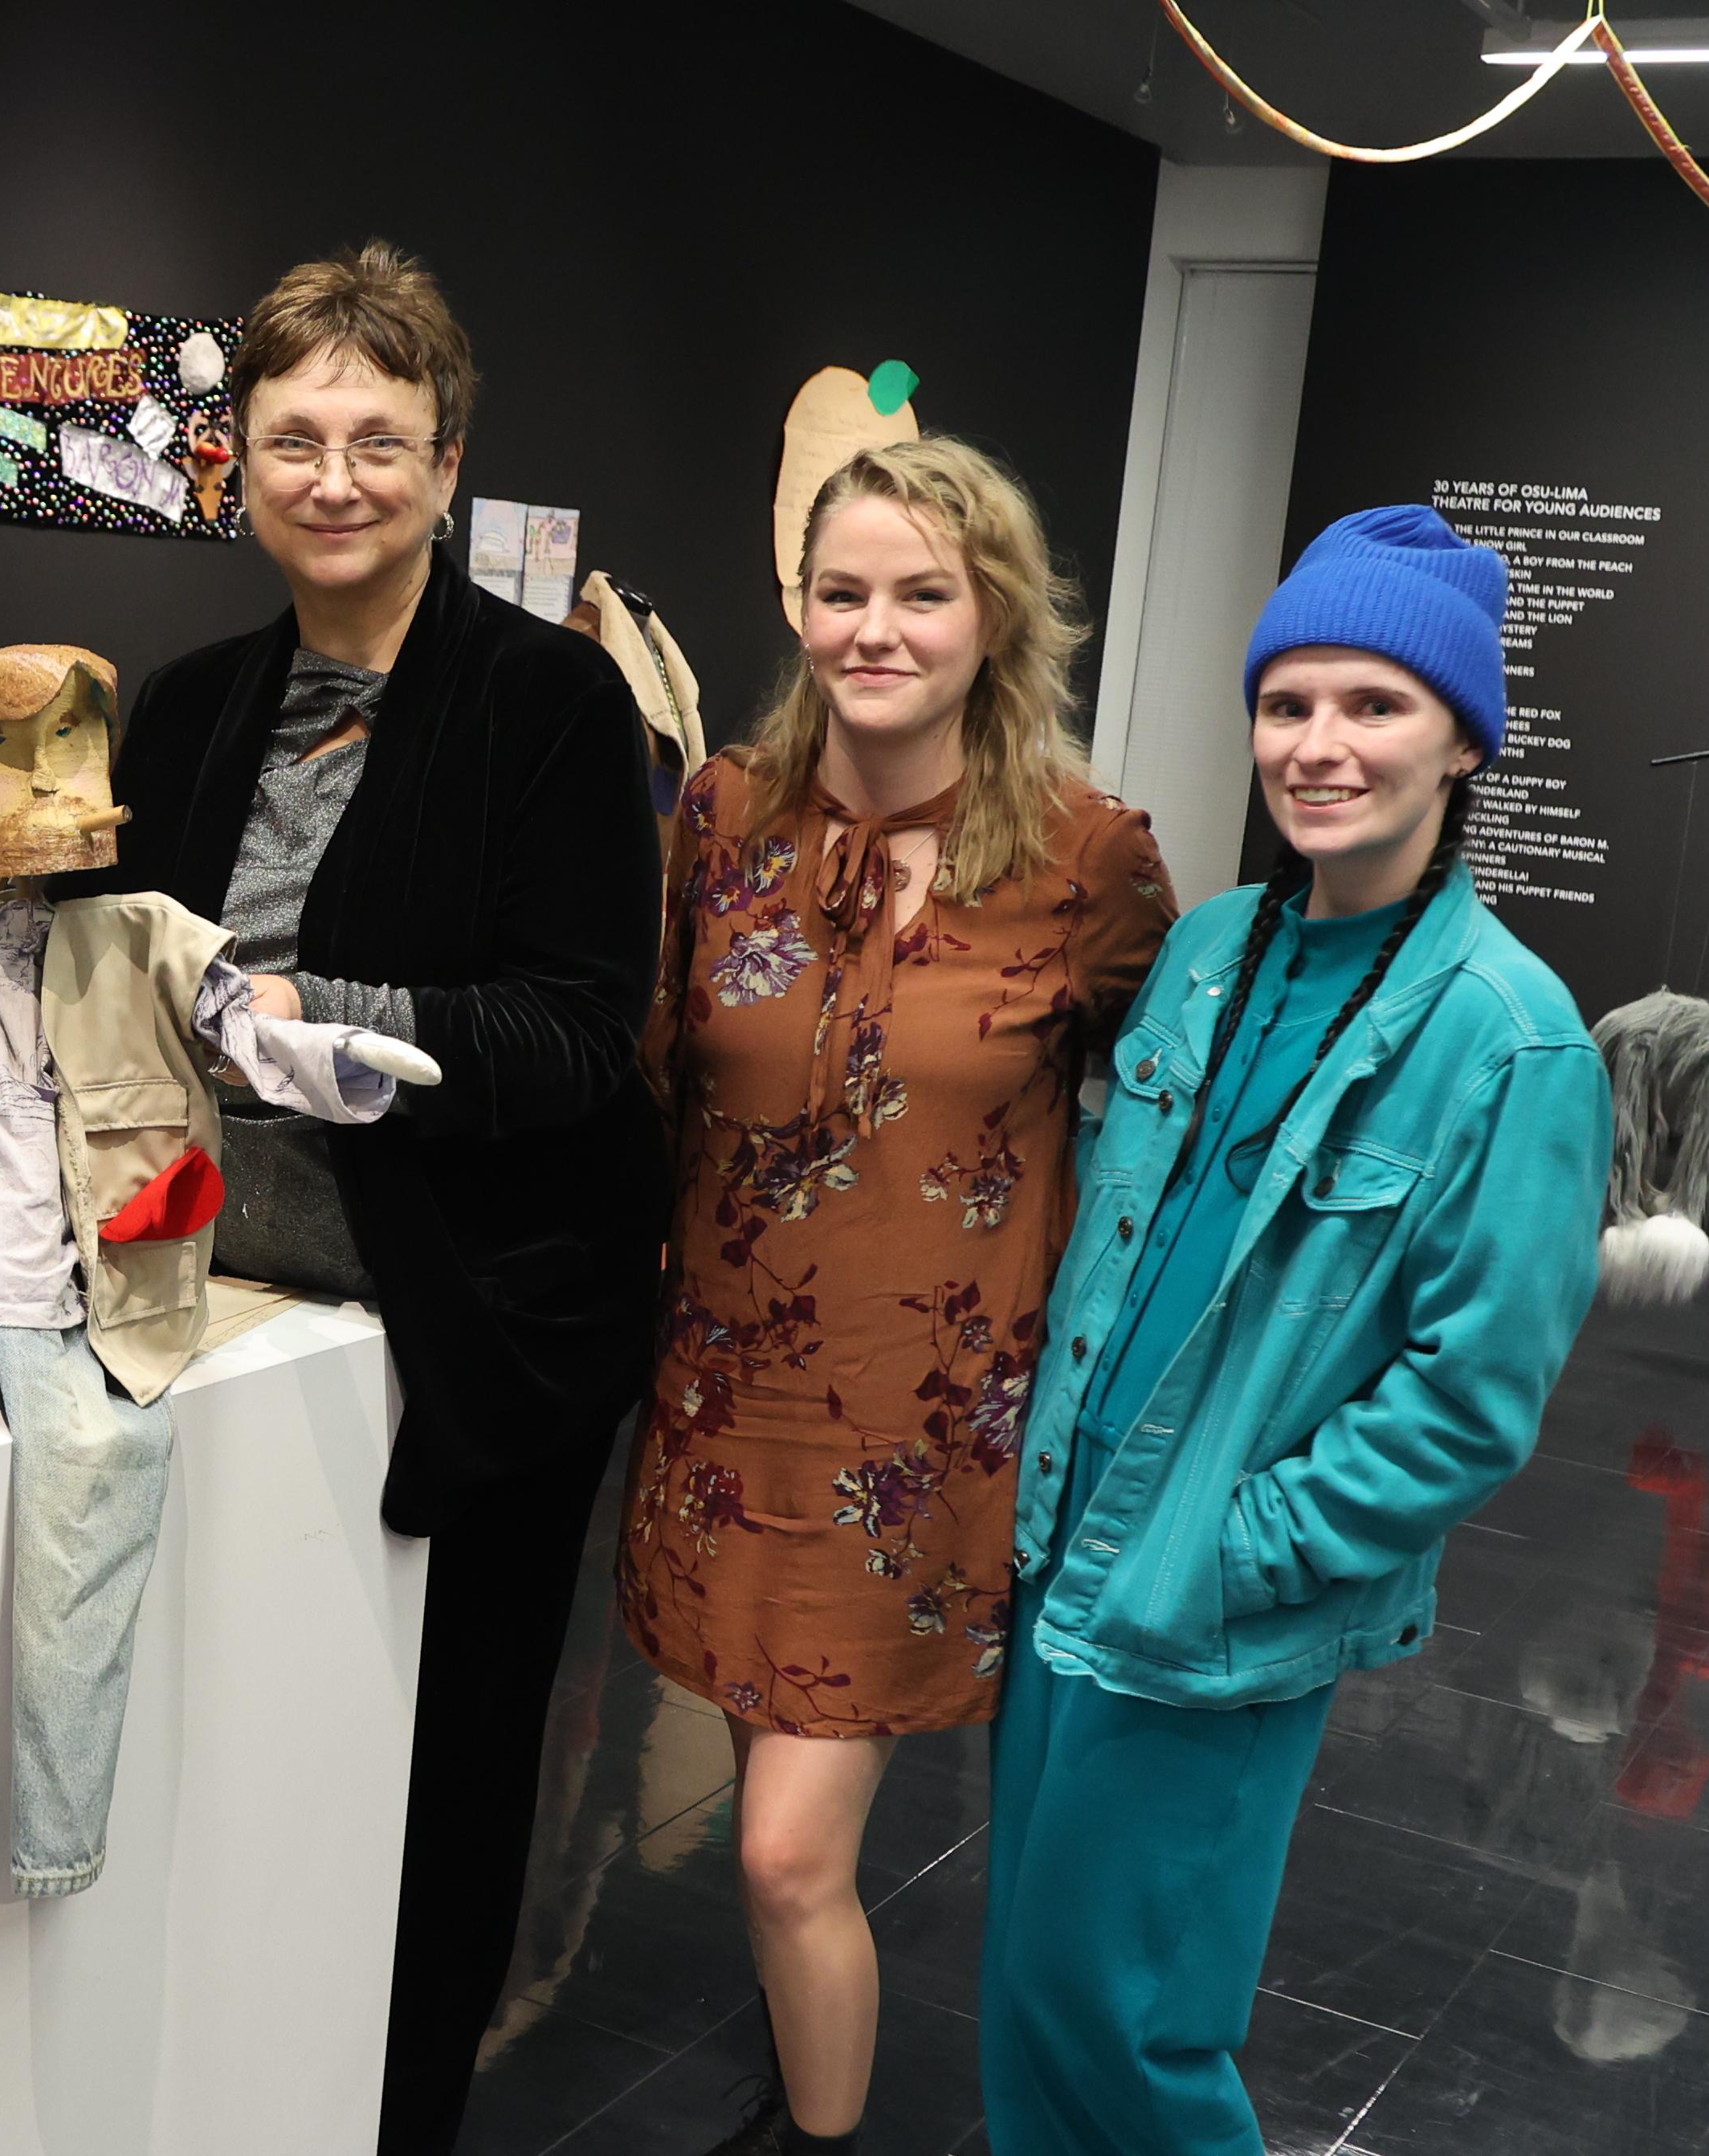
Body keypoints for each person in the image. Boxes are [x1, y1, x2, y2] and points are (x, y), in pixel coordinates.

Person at [67, 240, 667, 2156]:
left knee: (440, 1771)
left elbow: (577, 1035)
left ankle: (391, 2112)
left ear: (447, 460)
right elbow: (118, 978)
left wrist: (317, 1013)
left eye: (379, 439)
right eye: (293, 435)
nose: (335, 476)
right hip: (220, 1305)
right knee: (234, 1731)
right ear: (233, 457)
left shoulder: (551, 705)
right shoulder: (179, 706)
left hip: (471, 1324)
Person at [977, 506, 1611, 2153]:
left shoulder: (1508, 1036)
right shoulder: (1206, 951)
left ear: (1460, 738)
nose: (1317, 744)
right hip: (1066, 1541)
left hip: (1215, 1582)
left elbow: (1470, 1397)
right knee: (1033, 1983)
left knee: (1137, 2024)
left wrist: (1255, 1545)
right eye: (1288, 702)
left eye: (1373, 705)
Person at [622, 439, 1177, 2156]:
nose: (878, 629)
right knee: (763, 1823)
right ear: (798, 607)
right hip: (724, 1416)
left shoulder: (1087, 860)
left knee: (788, 1849)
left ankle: (824, 2136)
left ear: (993, 614)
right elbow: (656, 1073)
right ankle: (809, 2087)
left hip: (927, 1444)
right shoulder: (720, 816)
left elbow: (1173, 1137)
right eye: (843, 591)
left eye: (921, 593)